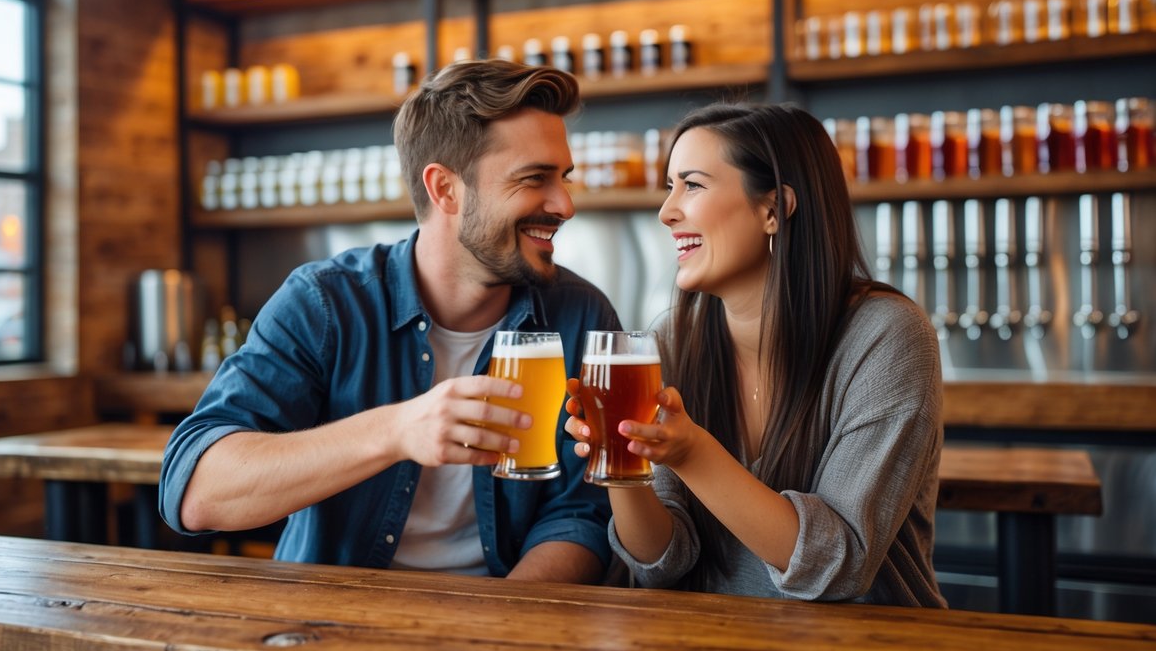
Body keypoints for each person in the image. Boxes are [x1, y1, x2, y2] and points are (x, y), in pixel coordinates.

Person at [160, 59, 620, 583]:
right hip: (335, 623)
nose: (565, 203)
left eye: (563, 178)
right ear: (445, 189)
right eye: (535, 178)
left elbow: (582, 512)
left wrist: (500, 623)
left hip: (509, 622)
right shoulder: (325, 303)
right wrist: (396, 430)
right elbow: (197, 492)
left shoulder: (581, 313)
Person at [565, 103, 946, 606]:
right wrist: (623, 463)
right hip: (717, 650)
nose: (666, 211)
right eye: (669, 186)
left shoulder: (885, 336)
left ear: (773, 210)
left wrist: (691, 453)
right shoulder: (673, 339)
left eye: (692, 185)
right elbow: (662, 562)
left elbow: (842, 565)